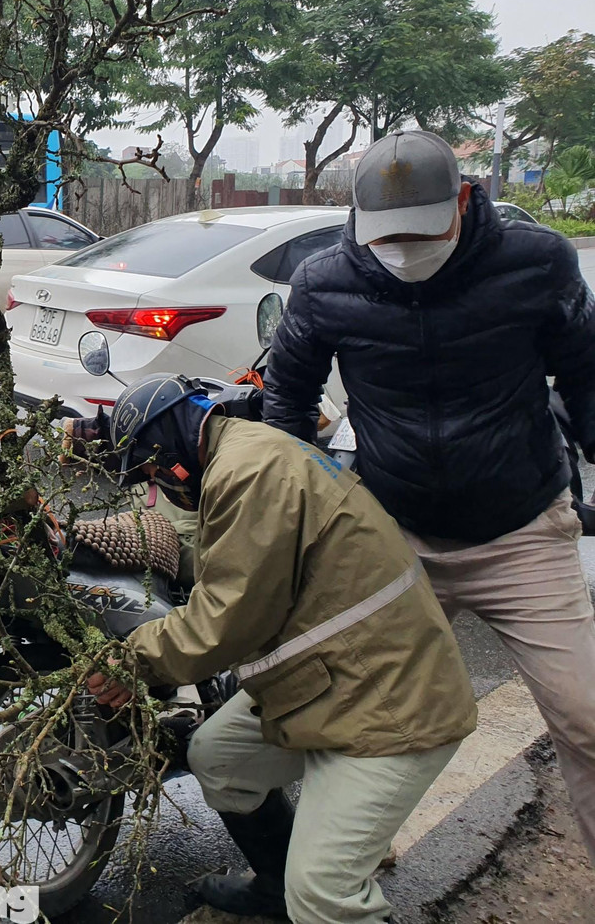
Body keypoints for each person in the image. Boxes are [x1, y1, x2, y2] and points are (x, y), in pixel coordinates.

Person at [263, 129, 595, 865]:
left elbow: (587, 374)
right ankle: (350, 857)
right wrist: (296, 504)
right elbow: (287, 397)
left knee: (586, 716)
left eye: (420, 231)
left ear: (465, 202)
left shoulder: (536, 263)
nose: (404, 249)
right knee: (353, 705)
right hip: (393, 537)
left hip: (519, 532)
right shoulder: (325, 282)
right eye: (388, 235)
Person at [84, 374, 477, 923]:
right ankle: (275, 886)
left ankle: (305, 894)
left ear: (167, 449)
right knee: (218, 759)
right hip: (339, 667)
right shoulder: (243, 453)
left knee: (322, 893)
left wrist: (132, 660)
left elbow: (227, 617)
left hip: (391, 696)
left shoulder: (248, 473)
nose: (158, 485)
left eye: (152, 471)